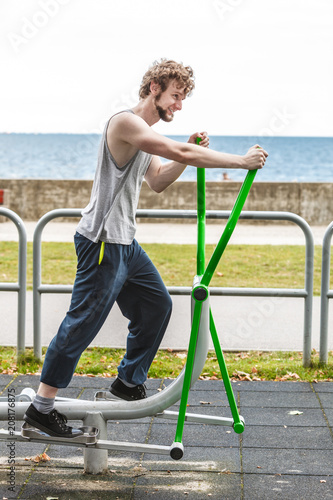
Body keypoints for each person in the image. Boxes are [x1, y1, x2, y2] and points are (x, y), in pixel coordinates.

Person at [24, 59, 268, 438]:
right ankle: (41, 408)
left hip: (126, 244)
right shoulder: (125, 123)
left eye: (183, 98)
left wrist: (185, 151)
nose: (179, 105)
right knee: (82, 322)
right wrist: (241, 161)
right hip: (102, 243)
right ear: (154, 87)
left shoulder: (145, 132)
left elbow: (157, 180)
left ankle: (127, 382)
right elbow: (180, 155)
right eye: (175, 96)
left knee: (157, 305)